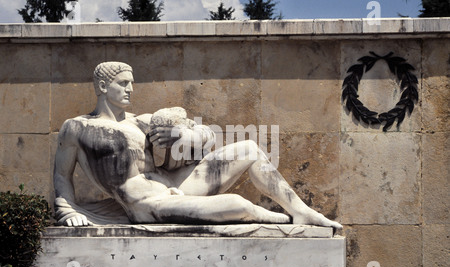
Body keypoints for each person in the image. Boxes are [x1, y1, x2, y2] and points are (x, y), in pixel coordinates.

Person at [53, 61, 342, 230]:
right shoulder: (77, 128)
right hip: (145, 204)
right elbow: (63, 177)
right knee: (239, 204)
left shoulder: (141, 121)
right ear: (103, 87)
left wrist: (182, 136)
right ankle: (282, 222)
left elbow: (206, 134)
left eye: (132, 83)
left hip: (173, 183)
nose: (131, 89)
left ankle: (300, 211)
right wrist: (68, 210)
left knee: (250, 150)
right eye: (123, 83)